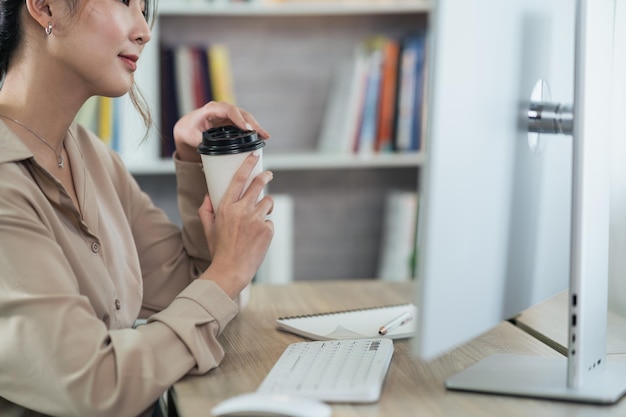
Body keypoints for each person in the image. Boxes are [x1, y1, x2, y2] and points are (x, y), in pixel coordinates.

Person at [0, 0, 275, 416]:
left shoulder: (93, 157)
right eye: (125, 2)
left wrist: (199, 166)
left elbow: (199, 293)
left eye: (145, 10)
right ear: (44, 6)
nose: (144, 30)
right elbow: (95, 386)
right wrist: (230, 272)